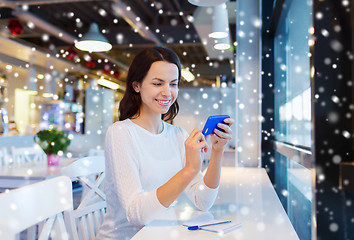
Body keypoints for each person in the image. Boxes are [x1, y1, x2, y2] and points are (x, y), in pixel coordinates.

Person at [96, 46, 234, 239]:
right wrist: (189, 170)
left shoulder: (178, 134)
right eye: (158, 83)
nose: (167, 93)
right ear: (136, 85)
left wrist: (217, 152)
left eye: (173, 84)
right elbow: (137, 215)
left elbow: (203, 202)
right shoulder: (120, 132)